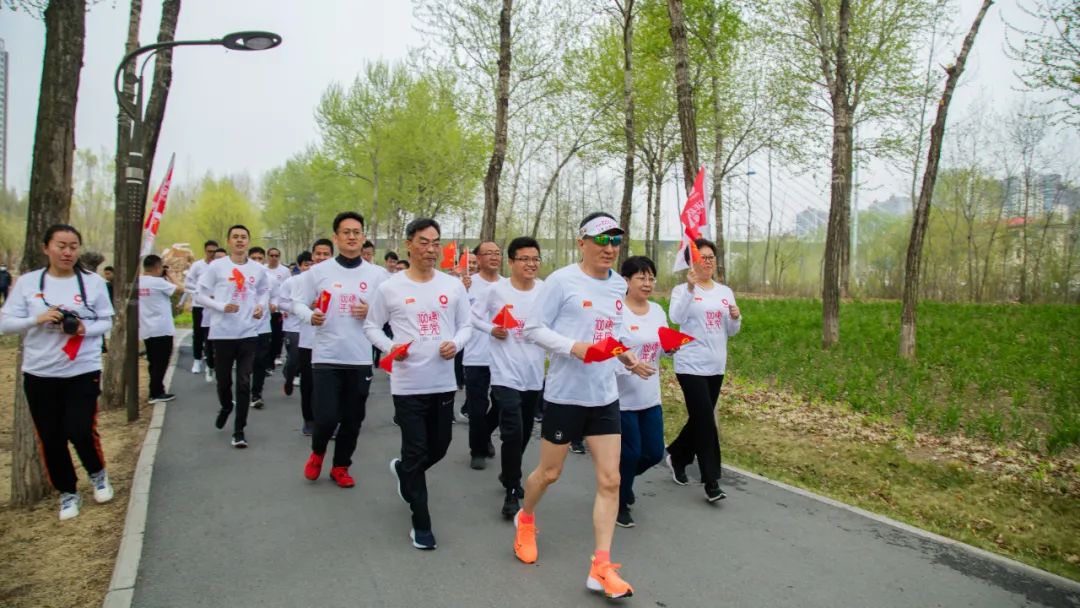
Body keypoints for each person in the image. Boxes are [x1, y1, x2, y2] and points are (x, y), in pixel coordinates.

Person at [514, 211, 652, 599]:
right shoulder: (562, 281)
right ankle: (526, 518)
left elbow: (613, 335)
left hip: (604, 396)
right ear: (582, 242)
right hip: (566, 395)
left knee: (611, 480)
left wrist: (627, 357)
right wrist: (573, 347)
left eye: (616, 240)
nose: (610, 248)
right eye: (602, 240)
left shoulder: (618, 286)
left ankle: (601, 567)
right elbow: (532, 328)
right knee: (549, 473)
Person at [364, 217, 472, 551]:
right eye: (423, 242)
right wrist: (390, 347)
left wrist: (456, 343)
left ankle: (405, 471)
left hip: (443, 382)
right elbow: (371, 326)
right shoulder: (390, 288)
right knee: (416, 449)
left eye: (435, 242)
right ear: (409, 244)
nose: (430, 249)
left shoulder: (452, 285)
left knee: (439, 446)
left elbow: (466, 325)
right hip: (408, 383)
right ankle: (421, 524)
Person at [0, 224, 116, 520]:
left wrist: (83, 328)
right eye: (61, 246)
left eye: (73, 247)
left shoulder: (92, 283)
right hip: (40, 372)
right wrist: (37, 319)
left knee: (80, 429)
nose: (67, 252)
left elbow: (107, 321)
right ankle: (67, 492)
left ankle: (98, 474)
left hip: (82, 369)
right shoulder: (28, 283)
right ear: (46, 248)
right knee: (51, 437)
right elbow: (5, 323)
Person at [292, 212, 387, 488]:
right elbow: (297, 302)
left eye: (357, 232)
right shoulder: (319, 272)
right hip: (326, 356)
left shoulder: (377, 275)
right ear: (336, 237)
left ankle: (341, 466)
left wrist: (371, 311)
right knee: (326, 417)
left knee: (353, 419)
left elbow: (390, 311)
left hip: (359, 357)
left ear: (363, 237)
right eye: (346, 232)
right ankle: (318, 453)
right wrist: (310, 316)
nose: (352, 237)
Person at [666, 238, 741, 502]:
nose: (707, 262)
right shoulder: (681, 290)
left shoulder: (725, 292)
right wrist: (690, 288)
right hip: (690, 364)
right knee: (706, 422)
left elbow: (731, 331)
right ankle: (711, 481)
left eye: (710, 257)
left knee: (701, 418)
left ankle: (678, 455)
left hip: (715, 364)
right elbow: (676, 317)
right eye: (702, 258)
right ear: (691, 262)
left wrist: (736, 317)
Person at [477, 236, 545, 517]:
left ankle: (508, 473)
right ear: (512, 262)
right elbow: (473, 317)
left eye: (535, 259)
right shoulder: (497, 291)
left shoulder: (545, 290)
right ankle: (511, 491)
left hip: (533, 373)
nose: (531, 264)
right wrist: (491, 329)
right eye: (524, 259)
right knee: (513, 431)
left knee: (525, 431)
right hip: (504, 373)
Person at [196, 225, 270, 448]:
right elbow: (199, 295)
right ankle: (227, 406)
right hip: (222, 333)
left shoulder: (257, 269)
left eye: (243, 237)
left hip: (248, 332)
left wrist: (260, 306)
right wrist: (221, 306)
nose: (240, 240)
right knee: (224, 381)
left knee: (244, 382)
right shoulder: (217, 267)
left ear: (248, 241)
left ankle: (239, 430)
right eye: (235, 237)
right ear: (229, 241)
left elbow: (264, 291)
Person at [613, 256, 667, 528]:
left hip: (650, 395)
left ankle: (618, 482)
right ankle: (619, 502)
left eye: (651, 278)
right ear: (626, 280)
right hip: (622, 397)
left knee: (655, 453)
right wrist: (629, 366)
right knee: (630, 454)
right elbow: (609, 349)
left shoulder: (657, 311)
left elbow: (661, 345)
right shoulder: (616, 312)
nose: (647, 283)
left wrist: (672, 347)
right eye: (641, 278)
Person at [462, 241, 504, 470]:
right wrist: (461, 289)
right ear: (478, 259)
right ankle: (477, 450)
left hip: (503, 356)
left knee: (502, 404)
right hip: (475, 355)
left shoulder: (508, 285)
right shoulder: (467, 283)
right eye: (488, 253)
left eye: (497, 253)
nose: (494, 257)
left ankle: (485, 433)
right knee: (477, 407)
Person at [296, 239, 334, 435]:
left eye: (326, 254)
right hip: (308, 340)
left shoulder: (338, 277)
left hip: (331, 341)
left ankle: (330, 421)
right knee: (308, 384)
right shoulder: (304, 278)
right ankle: (309, 419)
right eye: (318, 254)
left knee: (329, 386)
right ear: (312, 256)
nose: (321, 257)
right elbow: (294, 303)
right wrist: (308, 310)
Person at [139, 254, 182, 404]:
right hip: (162, 329)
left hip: (146, 329)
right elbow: (180, 289)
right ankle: (156, 392)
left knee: (153, 361)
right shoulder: (158, 282)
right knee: (162, 361)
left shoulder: (139, 282)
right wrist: (170, 275)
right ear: (158, 267)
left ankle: (156, 390)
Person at [277, 251, 312, 399]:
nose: (309, 268)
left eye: (312, 264)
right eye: (306, 265)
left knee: (309, 361)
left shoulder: (322, 282)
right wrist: (297, 308)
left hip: (313, 328)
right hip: (294, 326)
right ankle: (289, 377)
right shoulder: (291, 282)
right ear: (299, 266)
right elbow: (280, 302)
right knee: (294, 358)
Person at [247, 246, 276, 410]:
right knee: (246, 362)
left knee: (260, 361)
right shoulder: (241, 276)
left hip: (263, 326)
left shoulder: (270, 278)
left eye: (260, 258)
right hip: (243, 327)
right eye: (254, 258)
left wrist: (274, 304)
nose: (257, 261)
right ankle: (242, 392)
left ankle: (256, 394)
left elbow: (277, 295)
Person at [185, 240, 218, 375]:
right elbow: (188, 283)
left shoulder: (219, 266)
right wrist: (202, 291)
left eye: (214, 252)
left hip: (216, 306)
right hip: (200, 305)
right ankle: (197, 360)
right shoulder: (197, 266)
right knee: (198, 333)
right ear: (205, 251)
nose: (212, 254)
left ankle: (212, 362)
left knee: (213, 334)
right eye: (210, 251)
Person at [265, 247, 292, 371]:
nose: (274, 258)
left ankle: (275, 356)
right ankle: (266, 361)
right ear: (268, 256)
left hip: (279, 309)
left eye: (276, 255)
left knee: (277, 335)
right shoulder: (263, 270)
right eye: (271, 255)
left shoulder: (285, 271)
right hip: (265, 309)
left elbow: (288, 288)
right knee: (266, 336)